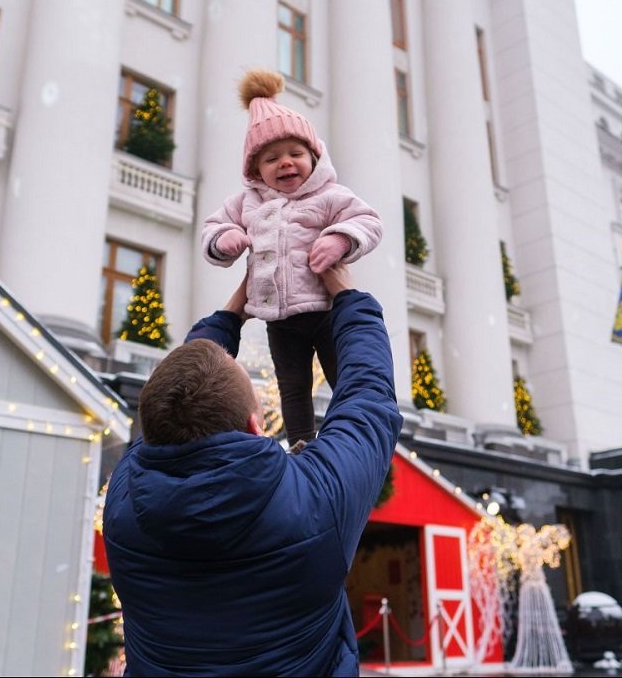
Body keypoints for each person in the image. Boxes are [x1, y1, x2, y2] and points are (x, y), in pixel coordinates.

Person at [103, 264, 402, 677]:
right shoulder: (315, 501)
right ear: (255, 427)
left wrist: (229, 316)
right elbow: (367, 400)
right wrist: (350, 298)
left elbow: (168, 408)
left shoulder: (123, 502)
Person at [201, 69, 383, 446]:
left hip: (325, 309)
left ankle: (347, 437)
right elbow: (213, 226)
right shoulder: (247, 202)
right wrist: (225, 239)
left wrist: (340, 239)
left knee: (341, 374)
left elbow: (368, 221)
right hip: (279, 318)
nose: (285, 163)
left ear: (314, 157)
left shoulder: (330, 195)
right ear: (255, 170)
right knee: (292, 384)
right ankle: (301, 441)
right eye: (272, 158)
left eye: (295, 154)